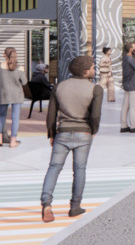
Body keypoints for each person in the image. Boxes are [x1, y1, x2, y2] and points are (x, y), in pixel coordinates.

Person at [40, 56, 103, 223]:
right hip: (84, 133)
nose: (94, 70)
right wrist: (93, 130)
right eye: (92, 67)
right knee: (80, 170)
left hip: (62, 132)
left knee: (54, 168)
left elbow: (51, 114)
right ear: (85, 71)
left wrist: (52, 134)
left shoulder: (59, 86)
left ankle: (46, 203)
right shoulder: (95, 89)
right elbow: (95, 115)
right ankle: (75, 206)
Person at [0, 47, 27, 148]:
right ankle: (13, 141)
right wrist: (22, 72)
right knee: (15, 117)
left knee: (1, 116)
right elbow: (25, 82)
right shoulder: (19, 68)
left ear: (4, 55)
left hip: (2, 94)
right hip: (16, 95)